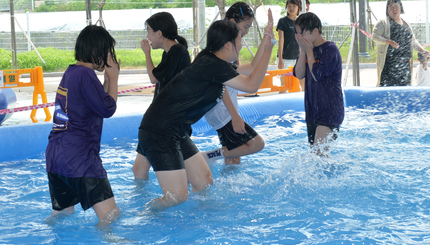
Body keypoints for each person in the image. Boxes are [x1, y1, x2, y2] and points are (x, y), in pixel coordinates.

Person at [137, 14, 275, 209]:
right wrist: (268, 49)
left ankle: (198, 222)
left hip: (175, 131)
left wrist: (266, 44)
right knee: (176, 196)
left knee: (204, 184)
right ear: (227, 45)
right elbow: (252, 84)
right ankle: (143, 217)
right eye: (239, 41)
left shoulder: (210, 60)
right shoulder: (212, 65)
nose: (241, 45)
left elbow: (244, 76)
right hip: (159, 132)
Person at [45, 25, 121, 226]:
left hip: (56, 157)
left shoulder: (71, 72)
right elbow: (107, 109)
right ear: (96, 51)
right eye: (106, 51)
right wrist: (114, 79)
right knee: (111, 216)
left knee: (61, 216)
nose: (109, 57)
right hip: (80, 159)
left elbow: (94, 105)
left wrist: (105, 81)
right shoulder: (86, 76)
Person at [202, 3, 266, 166]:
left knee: (234, 157)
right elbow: (222, 84)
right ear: (232, 22)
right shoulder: (223, 49)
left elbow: (250, 68)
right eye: (245, 26)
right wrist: (235, 116)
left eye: (249, 27)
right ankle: (206, 157)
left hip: (224, 110)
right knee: (256, 144)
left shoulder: (225, 47)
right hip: (223, 111)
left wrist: (266, 41)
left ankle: (228, 185)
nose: (245, 32)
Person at [132, 12, 191, 180]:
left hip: (169, 124)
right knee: (138, 170)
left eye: (149, 31)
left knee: (184, 170)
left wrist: (147, 53)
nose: (148, 36)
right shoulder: (170, 53)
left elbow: (153, 77)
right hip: (157, 122)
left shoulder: (178, 52)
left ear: (159, 33)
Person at [293, 12, 344, 155]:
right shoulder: (307, 49)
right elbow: (299, 74)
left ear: (315, 31)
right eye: (296, 34)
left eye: (301, 33)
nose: (299, 38)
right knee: (316, 158)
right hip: (313, 112)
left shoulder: (330, 50)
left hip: (330, 111)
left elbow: (317, 75)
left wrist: (309, 51)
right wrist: (303, 51)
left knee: (319, 155)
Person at [371, 0, 430, 87]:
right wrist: (388, 41)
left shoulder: (406, 23)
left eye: (396, 6)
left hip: (405, 66)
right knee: (388, 90)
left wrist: (422, 50)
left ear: (401, 8)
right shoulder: (383, 23)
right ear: (387, 9)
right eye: (391, 7)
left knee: (404, 90)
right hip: (389, 66)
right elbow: (374, 36)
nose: (394, 9)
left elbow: (412, 41)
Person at [277, 0, 303, 90]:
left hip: (298, 58)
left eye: (294, 6)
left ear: (299, 8)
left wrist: (303, 57)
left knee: (302, 84)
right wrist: (280, 59)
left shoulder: (300, 22)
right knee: (285, 86)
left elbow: (302, 41)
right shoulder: (282, 21)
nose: (291, 8)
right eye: (289, 6)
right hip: (285, 58)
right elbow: (281, 41)